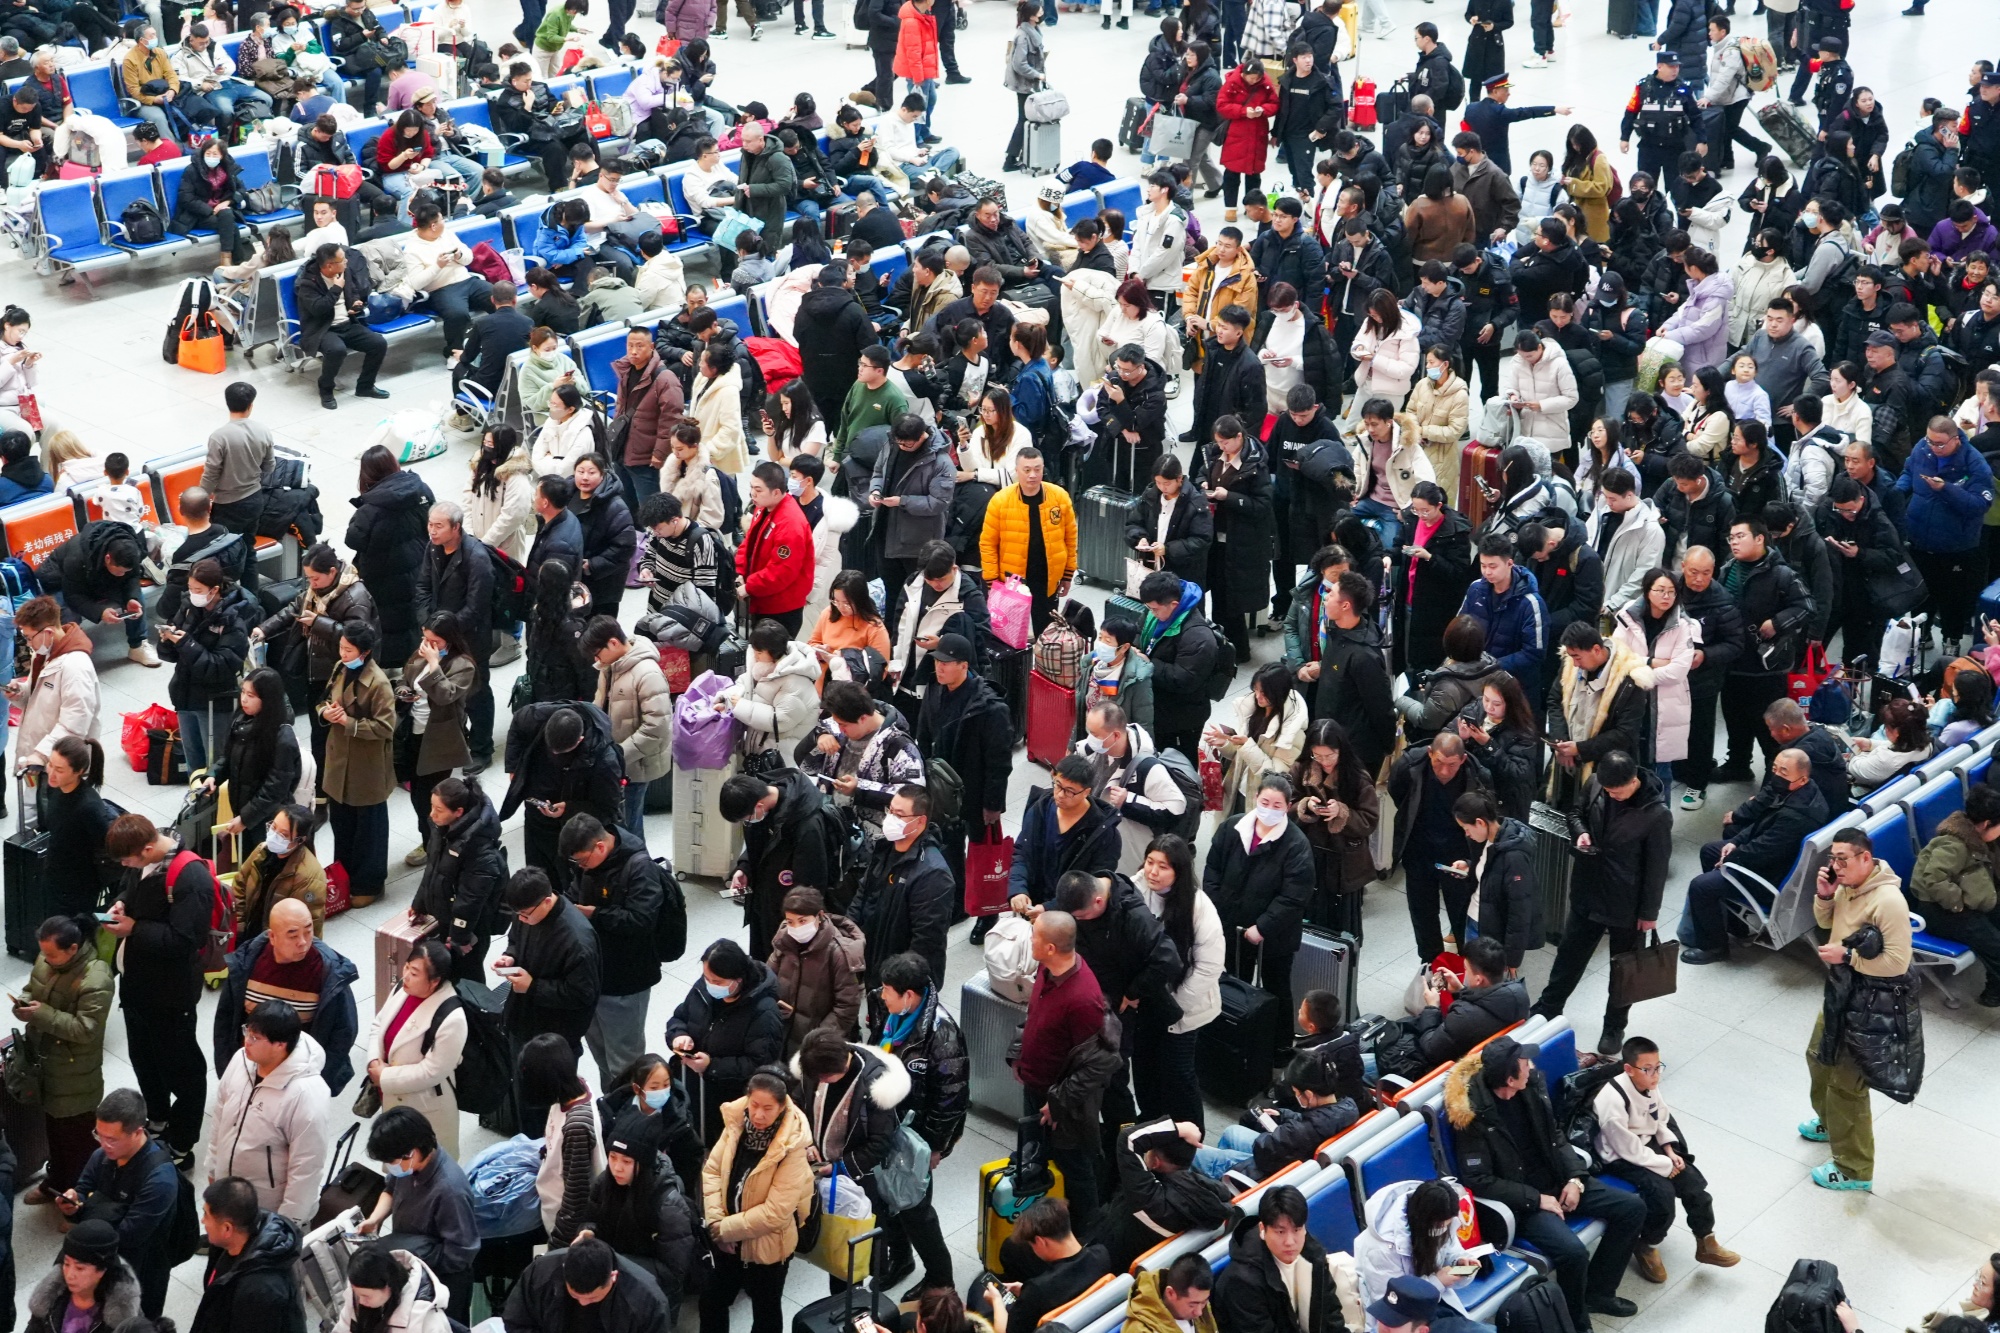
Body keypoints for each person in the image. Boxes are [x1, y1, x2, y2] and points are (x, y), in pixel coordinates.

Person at [1446, 1035, 1646, 1325]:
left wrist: (1575, 1178)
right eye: (1524, 1063)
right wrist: (1537, 1199)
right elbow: (1479, 1179)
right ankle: (1575, 1324)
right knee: (1573, 1254)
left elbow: (1556, 1136)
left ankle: (1599, 1293)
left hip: (1559, 1180)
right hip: (1523, 1203)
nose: (1531, 1066)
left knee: (1632, 1209)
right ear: (1510, 1079)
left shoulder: (1531, 1088)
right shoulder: (1473, 1116)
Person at [1800, 825, 1916, 1191]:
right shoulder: (1847, 886)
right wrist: (1825, 897)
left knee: (1847, 1086)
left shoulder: (1889, 902)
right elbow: (1826, 923)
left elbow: (1897, 963)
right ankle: (1830, 1123)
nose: (1836, 866)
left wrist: (1848, 957)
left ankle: (1854, 1169)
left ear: (1865, 857)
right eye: (1832, 859)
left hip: (1870, 1004)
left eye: (1842, 859)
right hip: (1841, 992)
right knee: (1818, 1058)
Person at [101, 813, 215, 1174]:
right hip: (137, 988)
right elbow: (130, 886)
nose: (125, 866)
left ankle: (181, 1143)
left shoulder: (190, 878)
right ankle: (158, 1118)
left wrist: (134, 928)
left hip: (170, 995)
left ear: (148, 848)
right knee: (145, 1060)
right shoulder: (145, 861)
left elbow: (185, 941)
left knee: (183, 1070)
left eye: (127, 860)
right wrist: (121, 903)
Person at [1584, 1035, 1739, 1286]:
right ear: (1629, 1069)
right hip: (1621, 1157)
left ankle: (1706, 1241)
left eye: (1658, 1067)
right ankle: (1646, 1244)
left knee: (1694, 1186)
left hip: (1647, 1146)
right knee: (1662, 1196)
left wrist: (1670, 1151)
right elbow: (1627, 1149)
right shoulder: (1612, 1100)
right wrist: (1665, 1166)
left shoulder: (1649, 1084)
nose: (1655, 1075)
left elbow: (1660, 1119)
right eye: (1647, 1069)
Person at [1681, 748, 1829, 964]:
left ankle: (1714, 947)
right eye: (1775, 768)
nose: (1776, 775)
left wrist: (1729, 860)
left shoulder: (1796, 817)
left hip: (1771, 876)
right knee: (1710, 851)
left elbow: (1762, 851)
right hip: (1774, 858)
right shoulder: (1805, 790)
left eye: (1783, 772)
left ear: (1802, 778)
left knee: (1701, 887)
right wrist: (1735, 842)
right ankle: (1736, 924)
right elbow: (1763, 824)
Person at [1201, 772, 1313, 1058]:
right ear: (1255, 799)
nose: (1269, 809)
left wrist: (1262, 927)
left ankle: (1279, 1048)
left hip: (1274, 936)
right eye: (1265, 802)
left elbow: (1294, 896)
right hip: (1231, 926)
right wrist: (1216, 908)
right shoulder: (1232, 827)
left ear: (1288, 806)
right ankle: (1235, 1045)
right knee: (1233, 983)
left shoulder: (1296, 844)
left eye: (1277, 805)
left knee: (1276, 987)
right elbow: (1212, 869)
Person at [697, 1066, 813, 1333]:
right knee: (712, 1301)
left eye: (768, 1108)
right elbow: (712, 1171)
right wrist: (716, 1221)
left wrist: (725, 1230)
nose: (759, 1115)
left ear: (782, 1107)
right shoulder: (736, 1123)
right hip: (726, 1241)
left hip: (768, 1248)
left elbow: (776, 1212)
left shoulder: (792, 1144)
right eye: (754, 1105)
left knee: (766, 1312)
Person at [204, 1000, 331, 1226]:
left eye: (255, 1037)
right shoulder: (241, 1060)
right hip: (228, 1192)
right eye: (247, 1031)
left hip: (267, 1207)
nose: (246, 1041)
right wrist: (213, 1166)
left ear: (280, 1045)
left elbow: (307, 1168)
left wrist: (286, 1223)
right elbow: (220, 1116)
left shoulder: (307, 1095)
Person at [15, 915, 114, 1204]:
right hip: (44, 1063)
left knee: (77, 1140)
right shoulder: (47, 960)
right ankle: (56, 1182)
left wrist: (41, 1014)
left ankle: (79, 1198)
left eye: (52, 954)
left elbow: (86, 1030)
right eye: (43, 952)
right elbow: (32, 988)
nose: (45, 959)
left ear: (73, 948)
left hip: (75, 1073)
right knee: (54, 1132)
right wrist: (23, 1004)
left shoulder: (96, 978)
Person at [1713, 518, 1815, 784]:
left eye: (1740, 536)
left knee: (1769, 724)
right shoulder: (1727, 569)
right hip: (1733, 662)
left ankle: (1776, 772)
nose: (1734, 542)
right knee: (1734, 718)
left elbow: (1806, 606)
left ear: (1760, 538)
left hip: (1767, 667)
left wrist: (1778, 622)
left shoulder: (1782, 574)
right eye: (1731, 537)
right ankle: (1738, 764)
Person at [363, 940, 469, 1160]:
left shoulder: (452, 1018)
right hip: (391, 1095)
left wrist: (385, 1077)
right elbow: (378, 1024)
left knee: (423, 1164)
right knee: (396, 1160)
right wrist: (373, 1061)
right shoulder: (402, 989)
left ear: (434, 981)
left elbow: (433, 1071)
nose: (406, 976)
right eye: (407, 967)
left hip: (425, 1106)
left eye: (414, 973)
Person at [317, 618, 395, 907]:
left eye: (348, 650)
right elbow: (323, 700)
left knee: (368, 831)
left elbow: (386, 727)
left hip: (366, 766)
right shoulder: (340, 668)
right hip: (339, 761)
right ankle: (344, 878)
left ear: (365, 652)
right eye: (341, 647)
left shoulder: (379, 683)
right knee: (342, 826)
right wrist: (325, 713)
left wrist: (349, 723)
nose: (343, 654)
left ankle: (368, 884)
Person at [1210, 1186, 1338, 1333]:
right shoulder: (1241, 1282)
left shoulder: (1312, 1254)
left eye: (1297, 1230)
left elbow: (1331, 1314)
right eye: (1280, 1232)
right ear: (1262, 1229)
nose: (1290, 1242)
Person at [189, 1176, 306, 1333]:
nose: (203, 1221)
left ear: (227, 1229)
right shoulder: (228, 1243)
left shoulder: (260, 1291)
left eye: (206, 1215)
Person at [1354, 1180, 1477, 1317]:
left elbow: (1450, 1249)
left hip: (1435, 1302)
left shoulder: (1441, 1218)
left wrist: (1459, 1262)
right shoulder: (1381, 1250)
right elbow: (1391, 1305)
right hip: (1402, 1318)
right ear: (1423, 1220)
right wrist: (1437, 1283)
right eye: (1439, 1226)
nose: (1443, 1230)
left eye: (1447, 1225)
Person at [21, 1220, 143, 1333]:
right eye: (66, 1264)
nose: (69, 1275)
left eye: (80, 1268)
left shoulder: (124, 1317)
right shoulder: (51, 1298)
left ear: (102, 1270)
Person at [332, 1245, 459, 1333]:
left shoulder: (425, 1317)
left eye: (366, 1296)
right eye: (357, 1294)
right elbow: (342, 1328)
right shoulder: (359, 1292)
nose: (361, 1301)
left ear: (388, 1285)